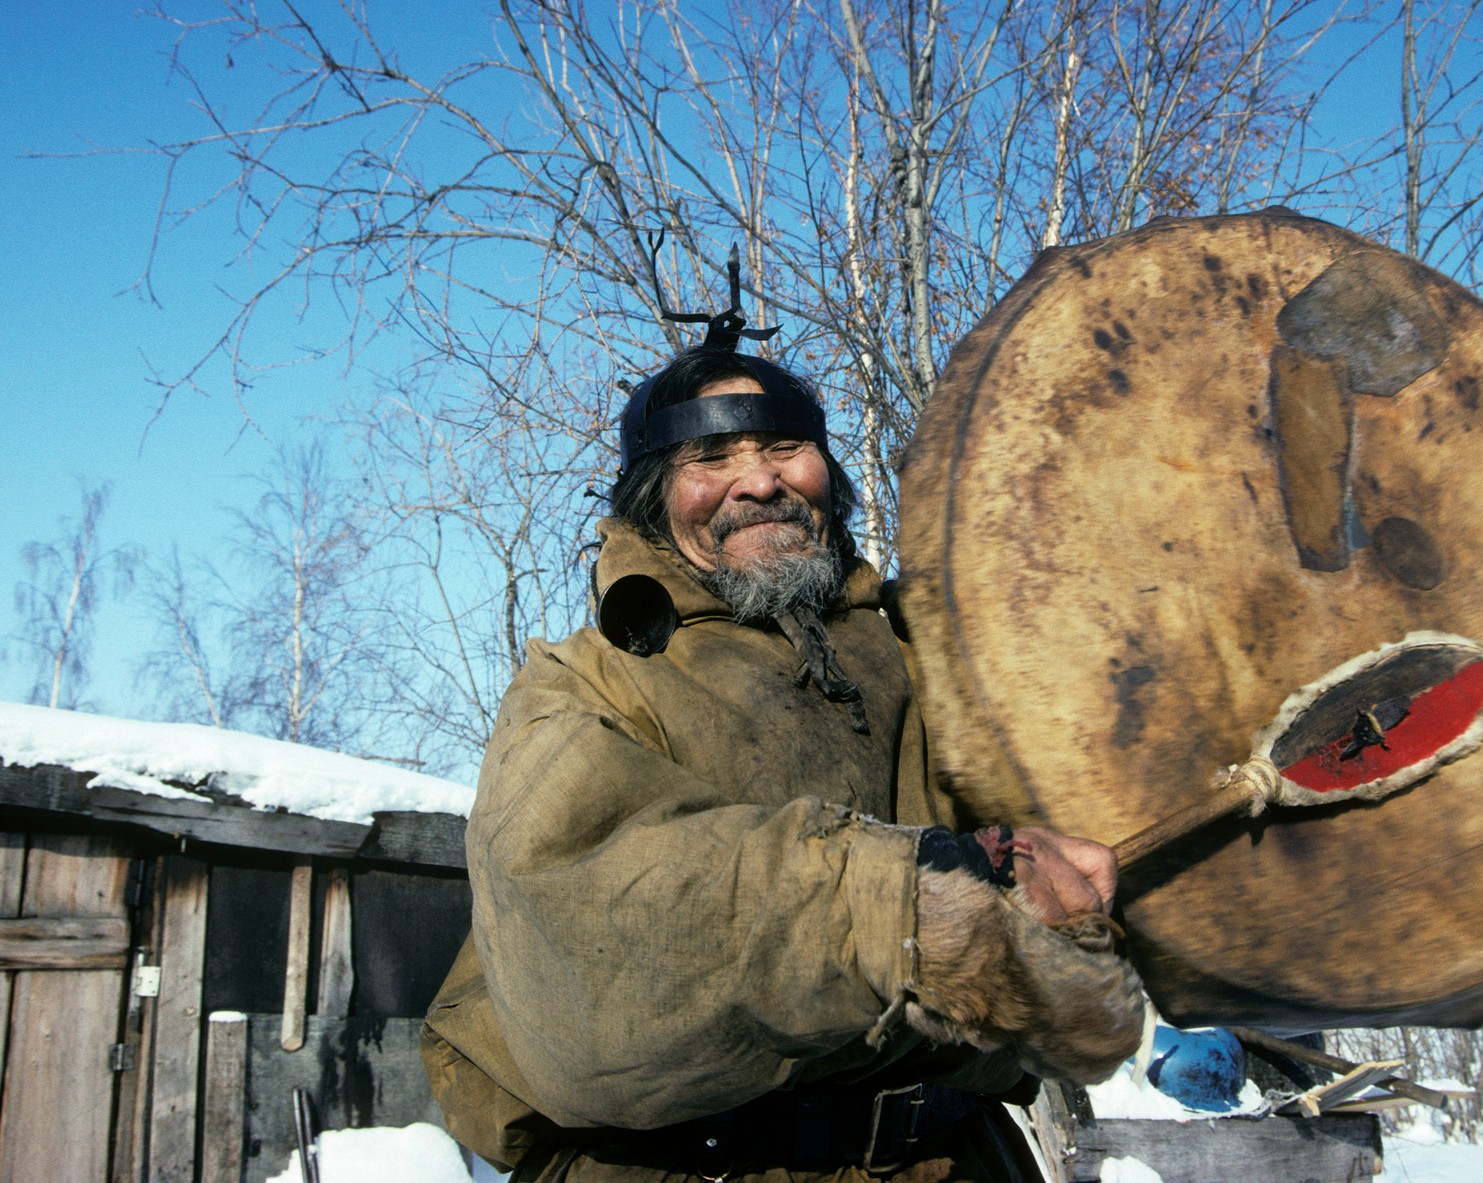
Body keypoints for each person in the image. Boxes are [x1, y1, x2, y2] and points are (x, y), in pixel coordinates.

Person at [421, 344, 1144, 1182]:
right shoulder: (586, 680)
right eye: (713, 456)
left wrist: (1049, 885)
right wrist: (898, 906)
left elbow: (1075, 800)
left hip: (954, 1157)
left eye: (783, 449)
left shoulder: (928, 654)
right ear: (655, 496)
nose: (759, 481)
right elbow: (589, 903)